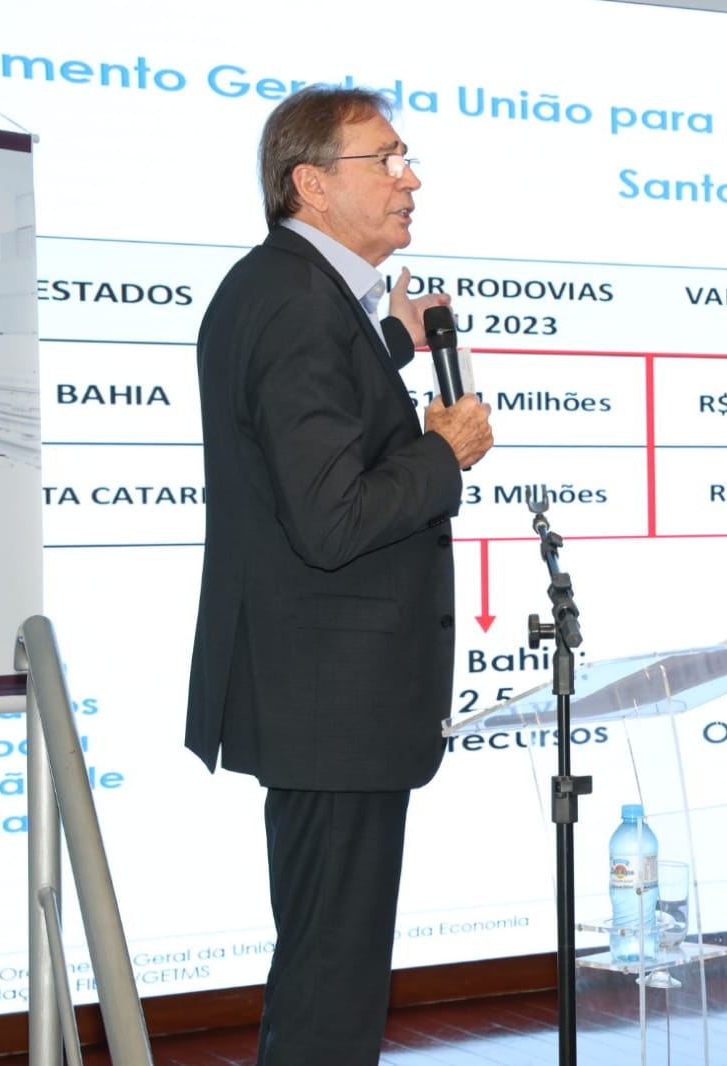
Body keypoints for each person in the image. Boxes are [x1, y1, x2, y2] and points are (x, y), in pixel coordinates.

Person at [185, 84, 493, 1065]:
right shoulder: (295, 303)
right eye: (386, 160)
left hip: (325, 698)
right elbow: (333, 518)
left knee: (332, 962)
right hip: (330, 701)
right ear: (311, 184)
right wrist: (444, 452)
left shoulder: (294, 294)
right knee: (330, 975)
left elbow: (318, 429)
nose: (411, 179)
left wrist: (391, 342)